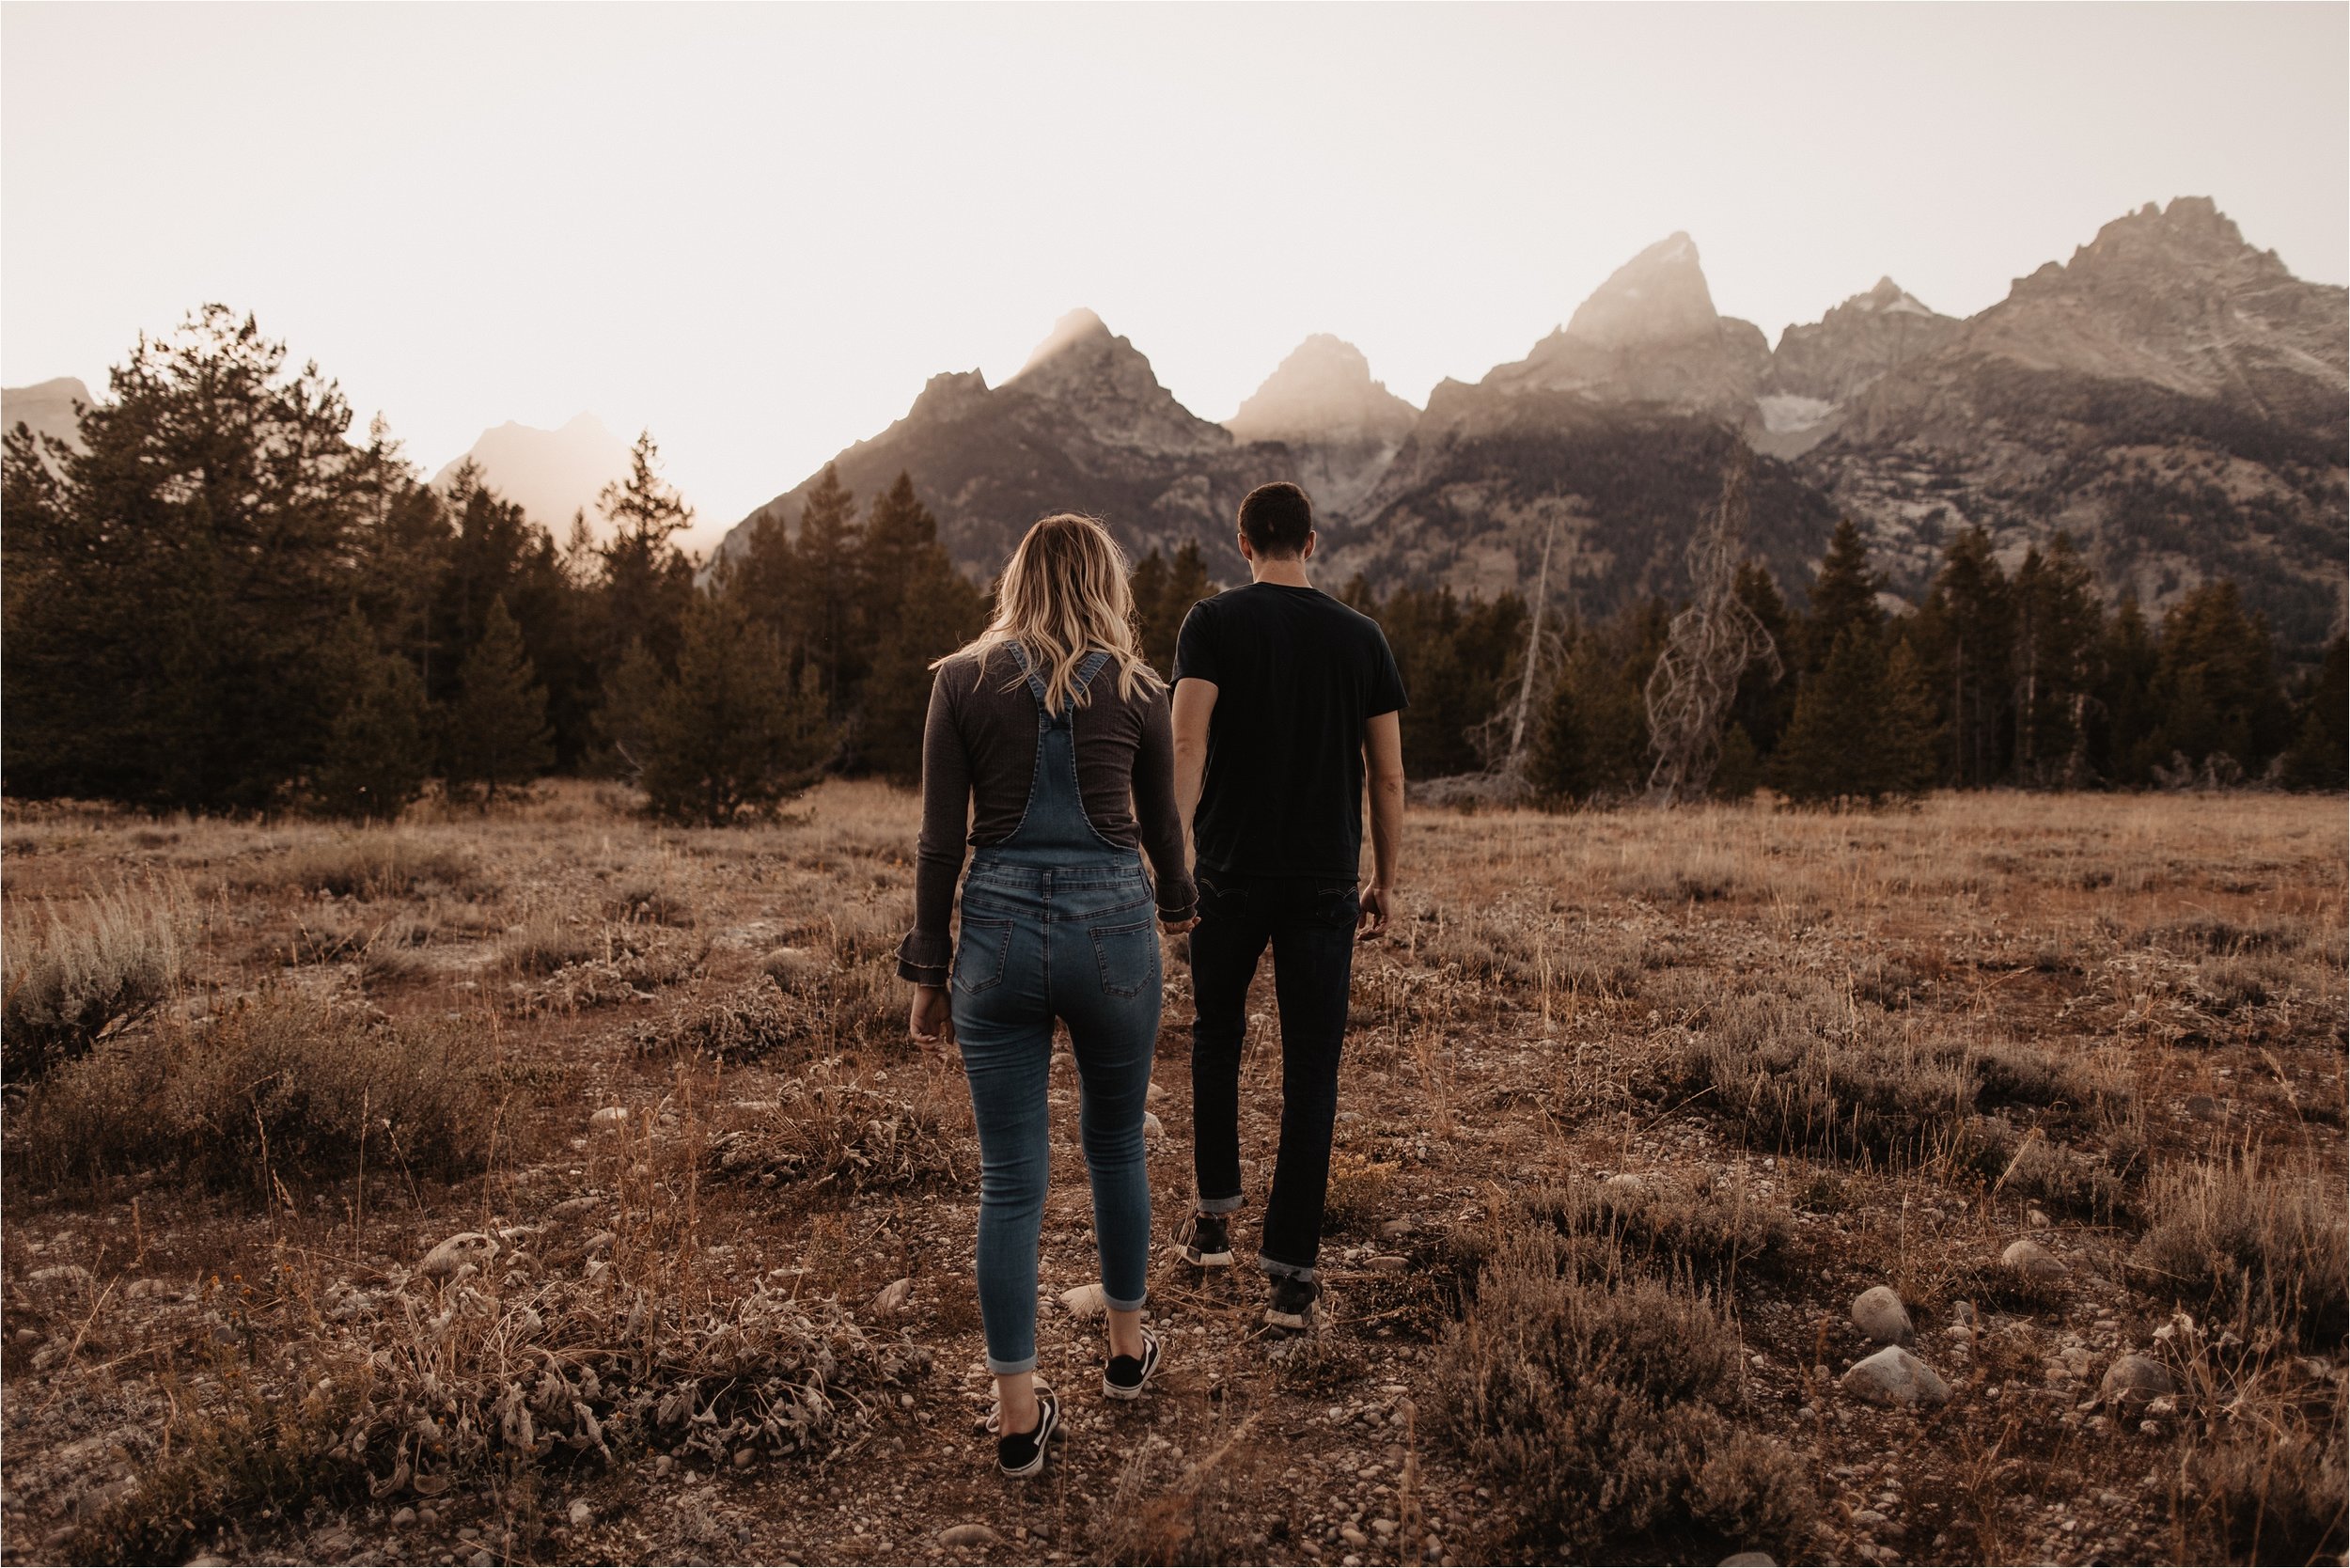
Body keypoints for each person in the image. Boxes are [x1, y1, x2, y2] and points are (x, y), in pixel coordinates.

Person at [898, 512, 1196, 1477]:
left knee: (1010, 1181)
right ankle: (1121, 1355)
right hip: (1112, 929)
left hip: (997, 934)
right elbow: (1162, 832)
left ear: (1015, 581)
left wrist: (926, 970)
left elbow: (940, 844)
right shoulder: (1141, 689)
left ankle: (1018, 1418)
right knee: (1114, 1144)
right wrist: (1182, 907)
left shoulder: (957, 681)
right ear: (1104, 583)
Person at [1170, 480, 1407, 1330]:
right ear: (1313, 541)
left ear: (1243, 545)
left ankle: (1211, 1225)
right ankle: (1292, 1279)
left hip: (1225, 875)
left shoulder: (1212, 624)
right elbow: (1385, 772)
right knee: (1313, 1069)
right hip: (1321, 883)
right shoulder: (1362, 638)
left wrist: (1179, 862)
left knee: (1216, 1040)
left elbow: (1187, 739)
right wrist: (1386, 876)